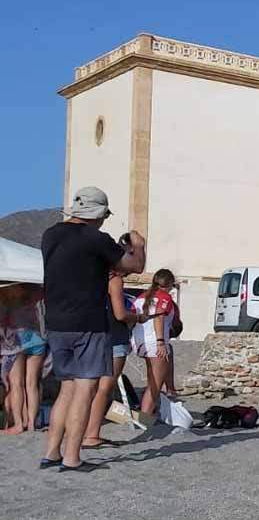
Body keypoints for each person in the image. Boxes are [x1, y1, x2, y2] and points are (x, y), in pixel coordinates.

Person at [41, 187, 146, 472]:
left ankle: (51, 452)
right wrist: (138, 244)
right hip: (87, 322)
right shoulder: (97, 239)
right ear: (98, 215)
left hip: (56, 322)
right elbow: (134, 266)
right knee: (86, 389)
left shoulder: (50, 235)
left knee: (67, 388)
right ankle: (72, 457)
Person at [83, 235, 143, 448]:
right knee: (103, 388)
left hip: (93, 334)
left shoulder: (94, 276)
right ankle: (91, 434)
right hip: (114, 336)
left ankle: (78, 431)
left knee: (86, 387)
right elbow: (119, 314)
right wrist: (135, 318)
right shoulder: (115, 280)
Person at [131, 269, 177, 416]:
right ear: (169, 284)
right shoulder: (165, 298)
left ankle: (150, 410)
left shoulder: (140, 297)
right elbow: (159, 318)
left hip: (139, 341)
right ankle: (145, 416)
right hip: (154, 342)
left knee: (152, 377)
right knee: (154, 384)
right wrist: (160, 342)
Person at [1, 284, 46, 433]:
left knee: (16, 384)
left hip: (15, 339)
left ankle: (19, 424)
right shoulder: (36, 288)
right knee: (32, 383)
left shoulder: (5, 291)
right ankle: (32, 423)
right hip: (36, 336)